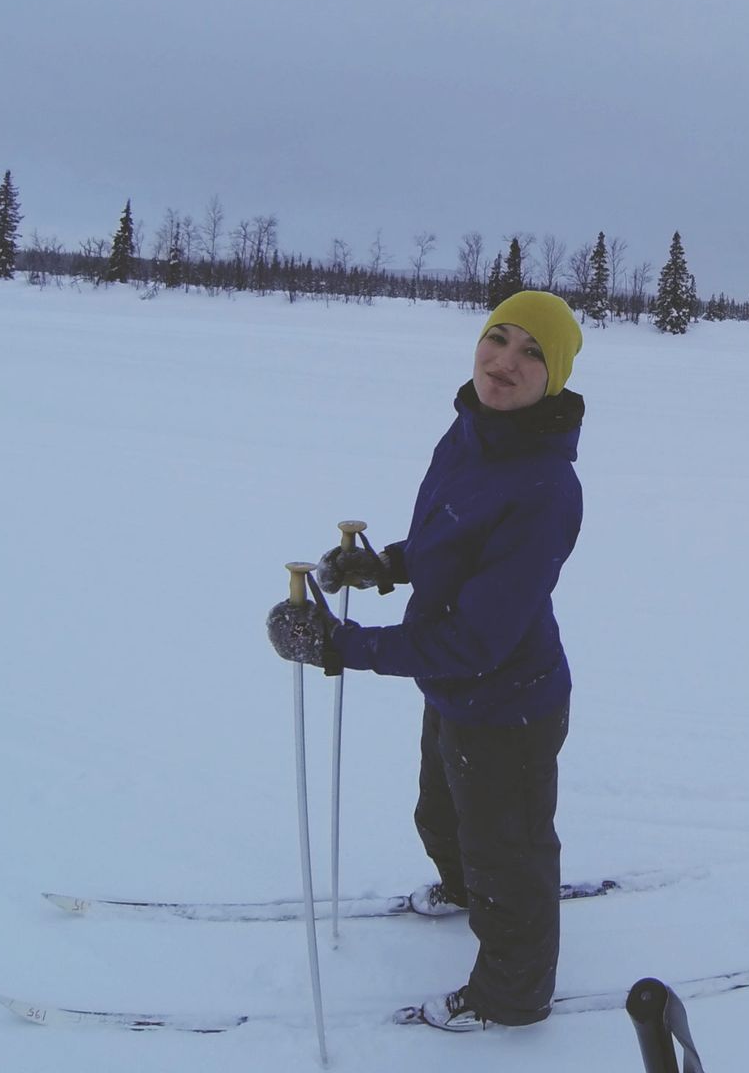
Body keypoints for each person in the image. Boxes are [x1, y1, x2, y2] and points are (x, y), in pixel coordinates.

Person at [268, 289, 586, 1033]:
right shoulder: (470, 432)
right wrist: (384, 566)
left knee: (507, 858)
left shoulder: (545, 487)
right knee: (441, 814)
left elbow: (477, 641)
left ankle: (514, 994)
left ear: (556, 376)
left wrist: (341, 646)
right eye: (497, 337)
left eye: (531, 352)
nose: (504, 361)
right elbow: (453, 545)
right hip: (451, 691)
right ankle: (460, 886)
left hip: (508, 705)